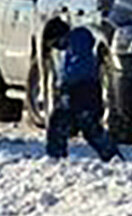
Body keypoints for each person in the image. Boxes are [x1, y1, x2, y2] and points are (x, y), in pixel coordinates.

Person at [44, 22, 121, 161]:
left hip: (82, 89)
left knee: (83, 125)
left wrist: (65, 85)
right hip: (80, 89)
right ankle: (110, 155)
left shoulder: (78, 39)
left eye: (55, 42)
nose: (57, 47)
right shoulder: (70, 47)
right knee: (71, 125)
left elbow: (78, 67)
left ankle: (56, 156)